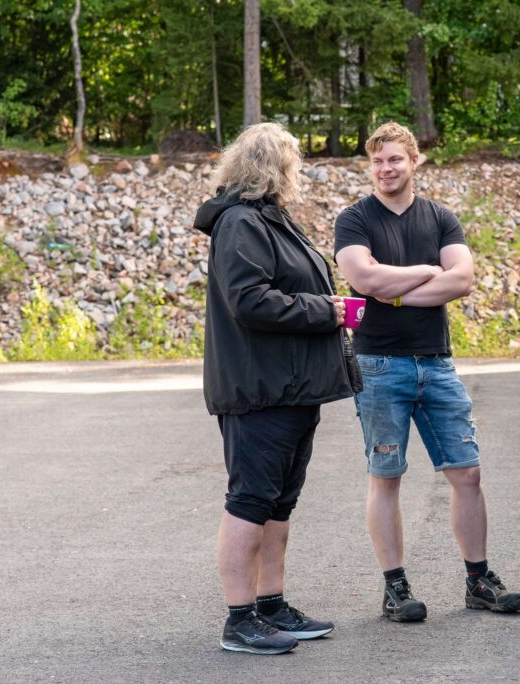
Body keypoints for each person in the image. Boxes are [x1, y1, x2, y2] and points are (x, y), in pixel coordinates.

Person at [334, 122, 520, 622]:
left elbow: (462, 280)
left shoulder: (441, 218)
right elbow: (362, 277)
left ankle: (479, 581)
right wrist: (424, 274)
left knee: (467, 472)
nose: (385, 169)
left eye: (395, 159)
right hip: (378, 364)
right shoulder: (354, 219)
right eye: (377, 161)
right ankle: (395, 589)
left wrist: (390, 291)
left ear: (415, 161)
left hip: (436, 363)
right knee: (387, 476)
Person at [194, 122, 353, 655]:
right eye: (294, 163)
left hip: (290, 387)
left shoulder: (269, 219)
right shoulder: (240, 222)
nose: (298, 173)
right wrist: (323, 311)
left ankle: (271, 604)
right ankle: (239, 619)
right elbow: (250, 299)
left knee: (279, 502)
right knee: (250, 500)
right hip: (259, 389)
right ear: (275, 167)